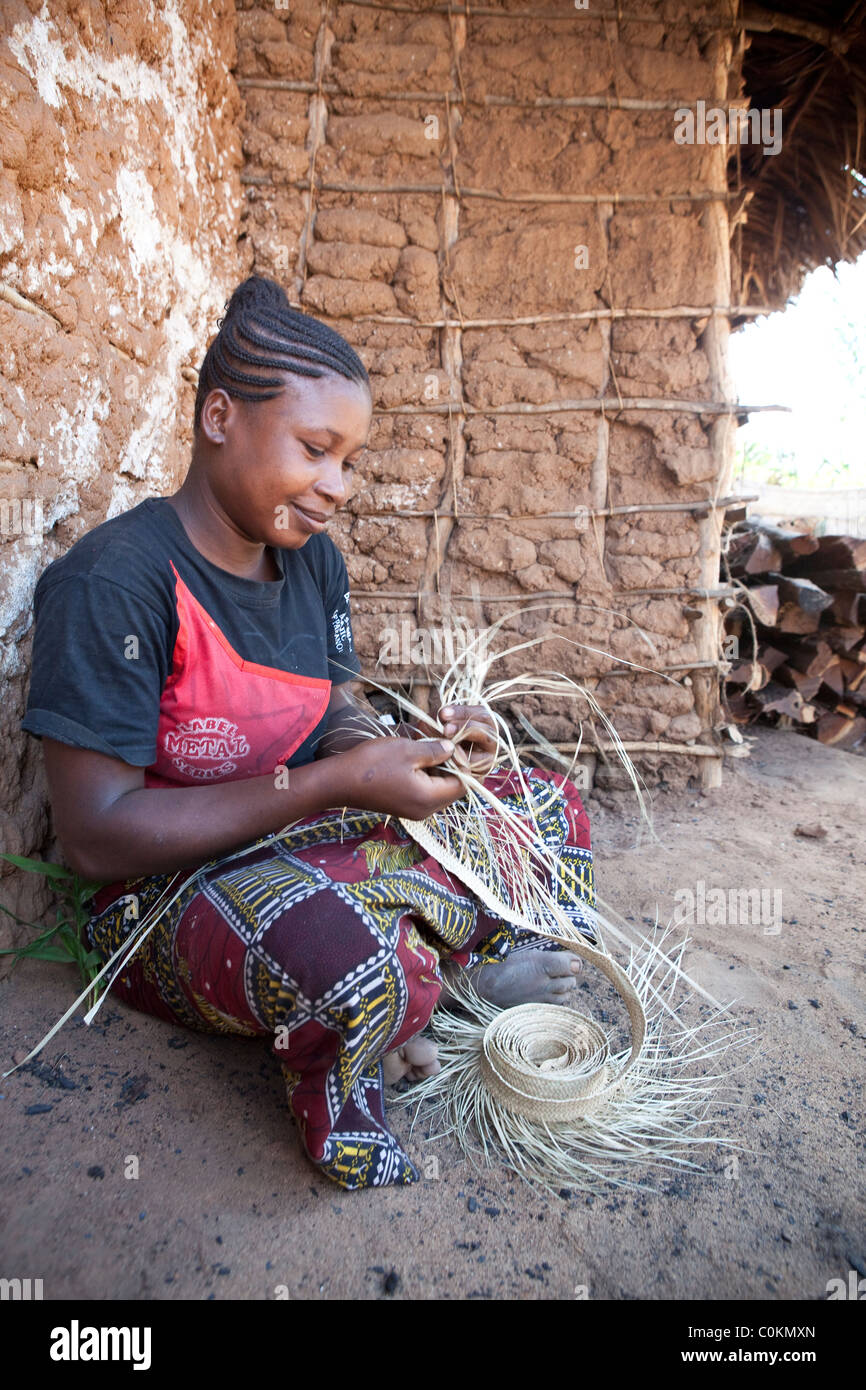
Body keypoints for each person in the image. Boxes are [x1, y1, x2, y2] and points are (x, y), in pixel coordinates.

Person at [21, 275, 595, 1190]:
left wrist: (414, 753)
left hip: (295, 838)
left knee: (540, 806)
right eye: (315, 450)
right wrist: (336, 786)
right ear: (220, 417)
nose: (337, 487)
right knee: (345, 956)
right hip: (162, 897)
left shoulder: (310, 560)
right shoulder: (115, 584)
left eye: (350, 460)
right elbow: (95, 839)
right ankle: (425, 989)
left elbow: (335, 709)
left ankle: (433, 981)